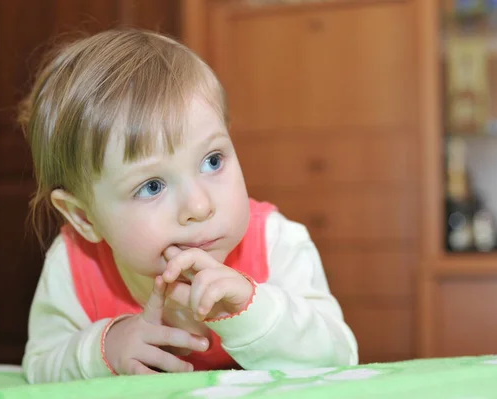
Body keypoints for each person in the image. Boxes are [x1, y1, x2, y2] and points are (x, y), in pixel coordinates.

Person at [19, 29, 358, 383]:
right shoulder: (74, 265)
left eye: (212, 161)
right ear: (84, 217)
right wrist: (106, 349)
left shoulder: (276, 242)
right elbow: (41, 364)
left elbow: (340, 355)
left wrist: (252, 309)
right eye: (152, 186)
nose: (199, 205)